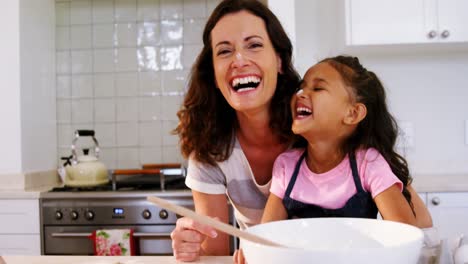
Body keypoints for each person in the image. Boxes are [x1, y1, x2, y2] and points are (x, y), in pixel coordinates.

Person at [171, 0, 433, 262]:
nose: (239, 60)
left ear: (279, 60)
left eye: (254, 45)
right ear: (214, 74)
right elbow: (217, 252)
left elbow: (412, 229)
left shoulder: (320, 127)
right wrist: (192, 245)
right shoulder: (215, 151)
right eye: (225, 51)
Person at [262, 55, 422, 225]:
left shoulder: (368, 164)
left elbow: (405, 233)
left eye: (317, 88)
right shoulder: (286, 166)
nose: (301, 94)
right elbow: (266, 236)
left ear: (352, 114)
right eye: (301, 88)